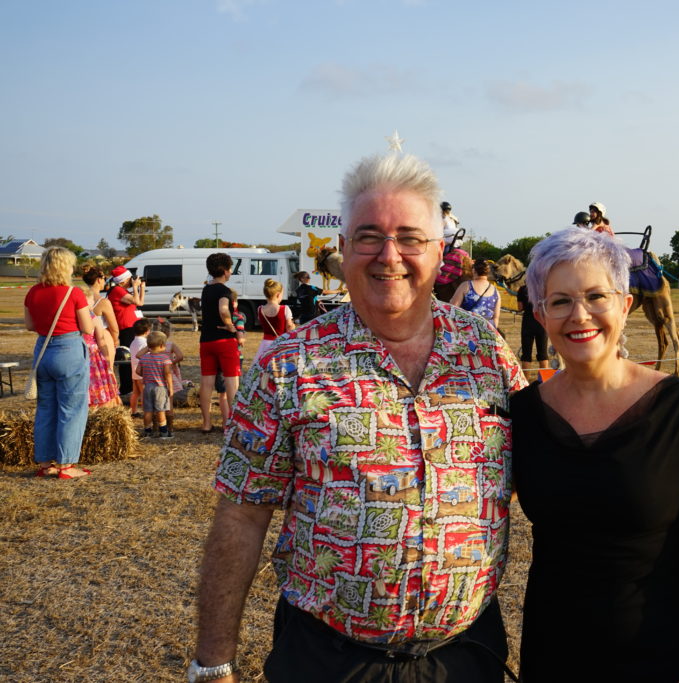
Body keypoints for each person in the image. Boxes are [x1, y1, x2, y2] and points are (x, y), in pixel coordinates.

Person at [194, 154, 526, 683]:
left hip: (466, 657)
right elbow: (241, 515)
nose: (389, 255)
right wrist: (213, 663)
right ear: (343, 250)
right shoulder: (288, 365)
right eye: (369, 236)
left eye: (411, 238)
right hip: (330, 662)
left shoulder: (486, 351)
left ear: (440, 252)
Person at [511, 228, 679, 682]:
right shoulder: (521, 415)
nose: (579, 315)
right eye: (559, 301)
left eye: (596, 295)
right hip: (553, 655)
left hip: (665, 657)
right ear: (541, 315)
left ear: (625, 304)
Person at [24, 247, 94, 479]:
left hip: (43, 351)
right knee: (72, 410)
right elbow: (87, 328)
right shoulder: (73, 293)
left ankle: (45, 463)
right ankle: (66, 465)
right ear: (66, 267)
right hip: (69, 351)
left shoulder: (33, 292)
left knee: (45, 409)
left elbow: (30, 325)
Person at [199, 253, 242, 434]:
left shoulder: (206, 289)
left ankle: (207, 423)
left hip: (206, 340)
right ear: (225, 271)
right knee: (232, 383)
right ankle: (234, 424)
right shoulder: (225, 291)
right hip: (224, 341)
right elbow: (224, 309)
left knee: (206, 383)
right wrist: (231, 326)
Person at [81, 285, 121, 410]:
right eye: (91, 300)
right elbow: (101, 340)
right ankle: (98, 403)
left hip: (78, 353)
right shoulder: (92, 317)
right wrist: (107, 359)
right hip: (93, 354)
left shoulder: (73, 317)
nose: (93, 302)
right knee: (97, 380)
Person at [137, 331, 174, 439]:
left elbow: (138, 371)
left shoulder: (144, 358)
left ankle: (147, 431)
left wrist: (146, 374)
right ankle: (163, 432)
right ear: (162, 346)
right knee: (160, 410)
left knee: (148, 410)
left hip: (147, 387)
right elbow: (168, 374)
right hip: (160, 387)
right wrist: (170, 388)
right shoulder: (165, 359)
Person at [449, 258, 500, 330]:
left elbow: (453, 308)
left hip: (467, 332)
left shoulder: (466, 286)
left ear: (474, 270)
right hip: (487, 334)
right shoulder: (496, 291)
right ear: (487, 272)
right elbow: (496, 318)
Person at [255, 278, 295, 363]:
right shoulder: (285, 309)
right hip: (280, 344)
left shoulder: (260, 309)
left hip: (265, 344)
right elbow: (290, 328)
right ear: (278, 294)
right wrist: (293, 326)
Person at [106, 265, 145, 346]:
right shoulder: (117, 290)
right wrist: (135, 286)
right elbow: (136, 301)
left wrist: (142, 288)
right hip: (126, 328)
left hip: (133, 326)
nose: (132, 280)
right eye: (129, 279)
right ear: (122, 282)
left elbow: (140, 303)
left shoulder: (123, 290)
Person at [516, 283, 549, 372]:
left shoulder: (522, 289)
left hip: (527, 323)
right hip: (541, 323)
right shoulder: (544, 289)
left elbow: (520, 308)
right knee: (543, 354)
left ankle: (526, 382)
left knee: (526, 355)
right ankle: (545, 381)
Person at [128, 318, 153, 417]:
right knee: (144, 394)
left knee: (135, 393)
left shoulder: (133, 342)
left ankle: (133, 411)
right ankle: (145, 412)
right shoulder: (144, 343)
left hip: (134, 371)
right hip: (142, 372)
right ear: (147, 331)